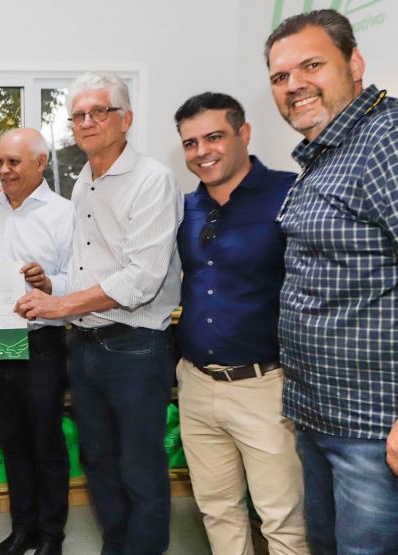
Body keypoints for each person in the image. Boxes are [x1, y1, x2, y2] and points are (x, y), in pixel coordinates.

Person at [15, 72, 182, 555]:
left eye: (98, 111)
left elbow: (141, 278)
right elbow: (87, 269)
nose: (86, 122)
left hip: (135, 347)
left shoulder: (152, 180)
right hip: (84, 346)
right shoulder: (84, 182)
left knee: (140, 470)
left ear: (125, 119)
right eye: (78, 115)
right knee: (99, 465)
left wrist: (60, 304)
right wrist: (53, 285)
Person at [265, 9, 398, 554]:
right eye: (279, 76)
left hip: (372, 428)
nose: (294, 85)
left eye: (311, 65)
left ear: (355, 62)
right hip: (319, 416)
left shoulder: (385, 139)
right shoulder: (327, 152)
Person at [173, 92, 307, 555]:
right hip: (195, 385)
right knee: (217, 509)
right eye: (190, 143)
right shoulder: (185, 208)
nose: (201, 151)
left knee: (282, 520)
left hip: (265, 387)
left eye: (213, 137)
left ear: (243, 135)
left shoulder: (290, 193)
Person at [0, 128, 73, 555]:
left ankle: (52, 534)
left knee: (46, 443)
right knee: (12, 440)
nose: (3, 170)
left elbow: (82, 278)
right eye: (0, 161)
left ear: (40, 163)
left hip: (42, 345)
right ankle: (24, 529)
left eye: (14, 162)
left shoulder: (65, 214)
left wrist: (50, 283)